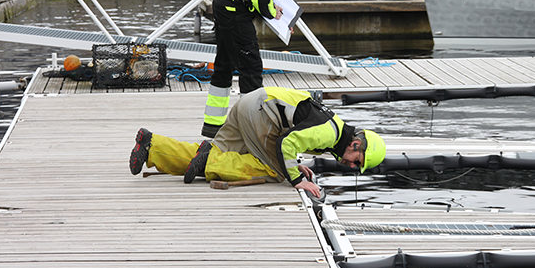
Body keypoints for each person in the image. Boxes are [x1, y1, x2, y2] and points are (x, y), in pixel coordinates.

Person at [201, 0, 340, 138]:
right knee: (252, 68)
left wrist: (285, 19)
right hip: (233, 10)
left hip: (227, 4)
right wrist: (275, 15)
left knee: (225, 64)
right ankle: (251, 130)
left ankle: (214, 125)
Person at [130, 87, 385, 197]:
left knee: (213, 154)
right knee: (274, 172)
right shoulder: (329, 133)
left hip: (251, 104)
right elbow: (285, 144)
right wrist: (296, 180)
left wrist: (297, 167)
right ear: (355, 145)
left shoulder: (333, 128)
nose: (352, 166)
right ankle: (210, 158)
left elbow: (293, 137)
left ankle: (153, 145)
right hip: (261, 114)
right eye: (357, 163)